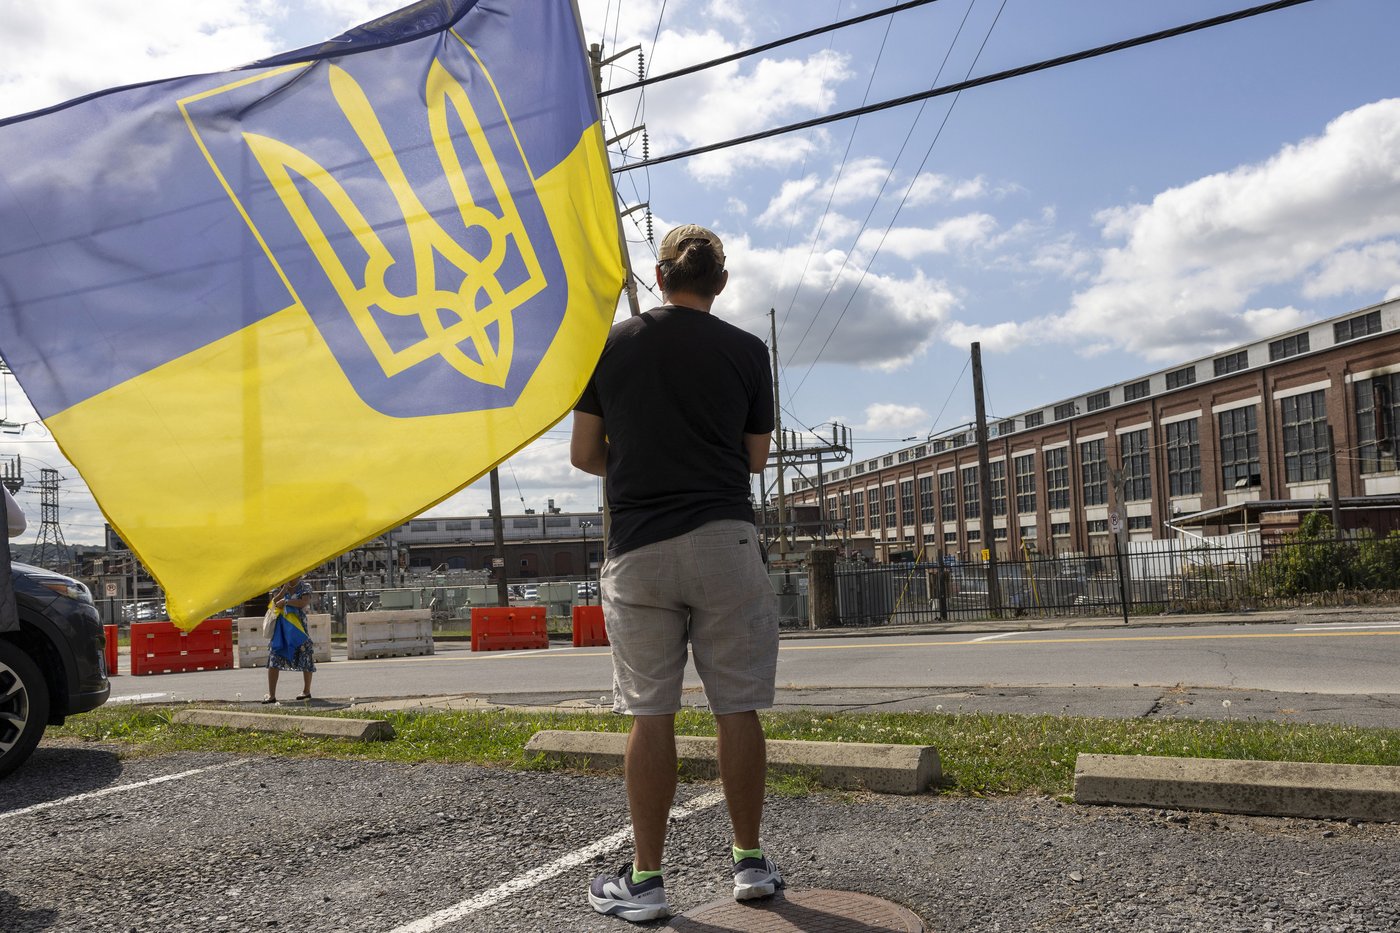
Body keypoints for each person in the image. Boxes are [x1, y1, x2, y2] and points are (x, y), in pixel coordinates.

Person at [571, 224, 782, 922]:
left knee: (650, 710)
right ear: (719, 284)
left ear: (658, 278)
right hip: (725, 536)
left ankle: (648, 878)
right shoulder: (749, 352)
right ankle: (749, 862)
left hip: (639, 547)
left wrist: (636, 467)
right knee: (736, 705)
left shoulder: (612, 345)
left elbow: (583, 453)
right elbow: (753, 460)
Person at [263, 574, 314, 704]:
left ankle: (306, 690)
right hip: (281, 629)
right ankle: (271, 694)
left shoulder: (304, 586)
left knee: (305, 655)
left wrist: (287, 601)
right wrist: (283, 590)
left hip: (298, 628)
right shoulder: (280, 587)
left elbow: (303, 602)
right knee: (274, 656)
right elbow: (273, 603)